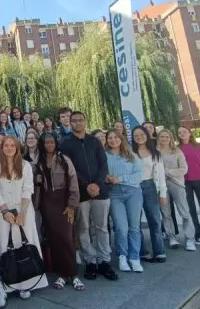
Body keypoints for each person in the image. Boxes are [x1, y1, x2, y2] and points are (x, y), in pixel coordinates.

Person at [0, 136, 48, 307]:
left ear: (17, 147)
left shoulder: (25, 166)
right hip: (4, 211)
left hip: (24, 210)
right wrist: (5, 211)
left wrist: (22, 213)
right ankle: (2, 288)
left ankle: (25, 284)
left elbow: (28, 189)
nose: (8, 148)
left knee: (26, 245)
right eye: (5, 145)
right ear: (1, 148)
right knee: (4, 248)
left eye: (12, 145)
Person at [60, 112, 117, 281]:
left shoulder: (95, 141)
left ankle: (104, 261)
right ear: (70, 123)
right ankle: (90, 261)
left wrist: (98, 184)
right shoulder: (65, 143)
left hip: (100, 192)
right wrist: (87, 185)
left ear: (85, 121)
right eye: (74, 121)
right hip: (81, 193)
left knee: (102, 228)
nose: (78, 123)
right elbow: (69, 169)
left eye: (80, 120)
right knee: (83, 229)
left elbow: (103, 164)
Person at [34, 133, 84, 290]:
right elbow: (36, 185)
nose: (49, 144)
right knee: (55, 239)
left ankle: (74, 274)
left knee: (67, 238)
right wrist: (37, 181)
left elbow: (74, 183)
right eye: (46, 142)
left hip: (63, 201)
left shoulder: (64, 160)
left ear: (56, 143)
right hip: (48, 203)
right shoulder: (38, 161)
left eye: (51, 141)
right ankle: (62, 275)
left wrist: (71, 205)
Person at [105, 130, 144, 273]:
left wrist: (120, 179)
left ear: (121, 139)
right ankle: (122, 256)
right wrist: (106, 178)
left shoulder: (131, 155)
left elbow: (139, 175)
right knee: (121, 227)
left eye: (116, 137)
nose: (113, 140)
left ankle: (134, 258)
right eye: (110, 138)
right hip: (115, 194)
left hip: (133, 192)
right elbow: (102, 173)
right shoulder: (104, 156)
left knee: (134, 227)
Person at [131, 126, 168, 263]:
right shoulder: (130, 153)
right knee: (135, 222)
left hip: (150, 186)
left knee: (155, 220)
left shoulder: (155, 153)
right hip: (134, 188)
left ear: (146, 135)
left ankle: (159, 252)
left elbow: (161, 175)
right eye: (136, 135)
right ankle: (141, 251)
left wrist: (163, 193)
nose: (139, 137)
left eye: (141, 134)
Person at [157, 129, 196, 251]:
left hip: (177, 184)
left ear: (170, 138)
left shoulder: (177, 151)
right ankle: (171, 236)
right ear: (159, 138)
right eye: (162, 137)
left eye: (166, 137)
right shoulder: (155, 153)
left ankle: (190, 238)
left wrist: (167, 172)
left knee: (184, 212)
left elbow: (184, 169)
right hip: (162, 186)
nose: (164, 139)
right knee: (165, 212)